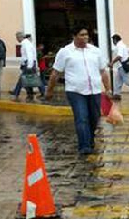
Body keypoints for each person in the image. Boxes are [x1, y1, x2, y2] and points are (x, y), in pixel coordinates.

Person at [45, 25, 112, 155]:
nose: (85, 37)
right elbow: (55, 73)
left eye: (86, 34)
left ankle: (89, 139)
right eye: (82, 35)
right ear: (74, 36)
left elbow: (103, 71)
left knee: (94, 117)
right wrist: (49, 90)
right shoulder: (65, 52)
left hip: (95, 90)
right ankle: (84, 146)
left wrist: (108, 89)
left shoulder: (95, 51)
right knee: (81, 118)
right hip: (75, 91)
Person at [11, 32, 44, 101]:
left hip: (29, 63)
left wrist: (29, 65)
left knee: (22, 79)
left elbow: (29, 55)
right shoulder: (26, 43)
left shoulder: (26, 44)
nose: (17, 39)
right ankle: (33, 93)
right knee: (32, 79)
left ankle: (15, 94)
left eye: (17, 38)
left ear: (20, 37)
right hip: (29, 63)